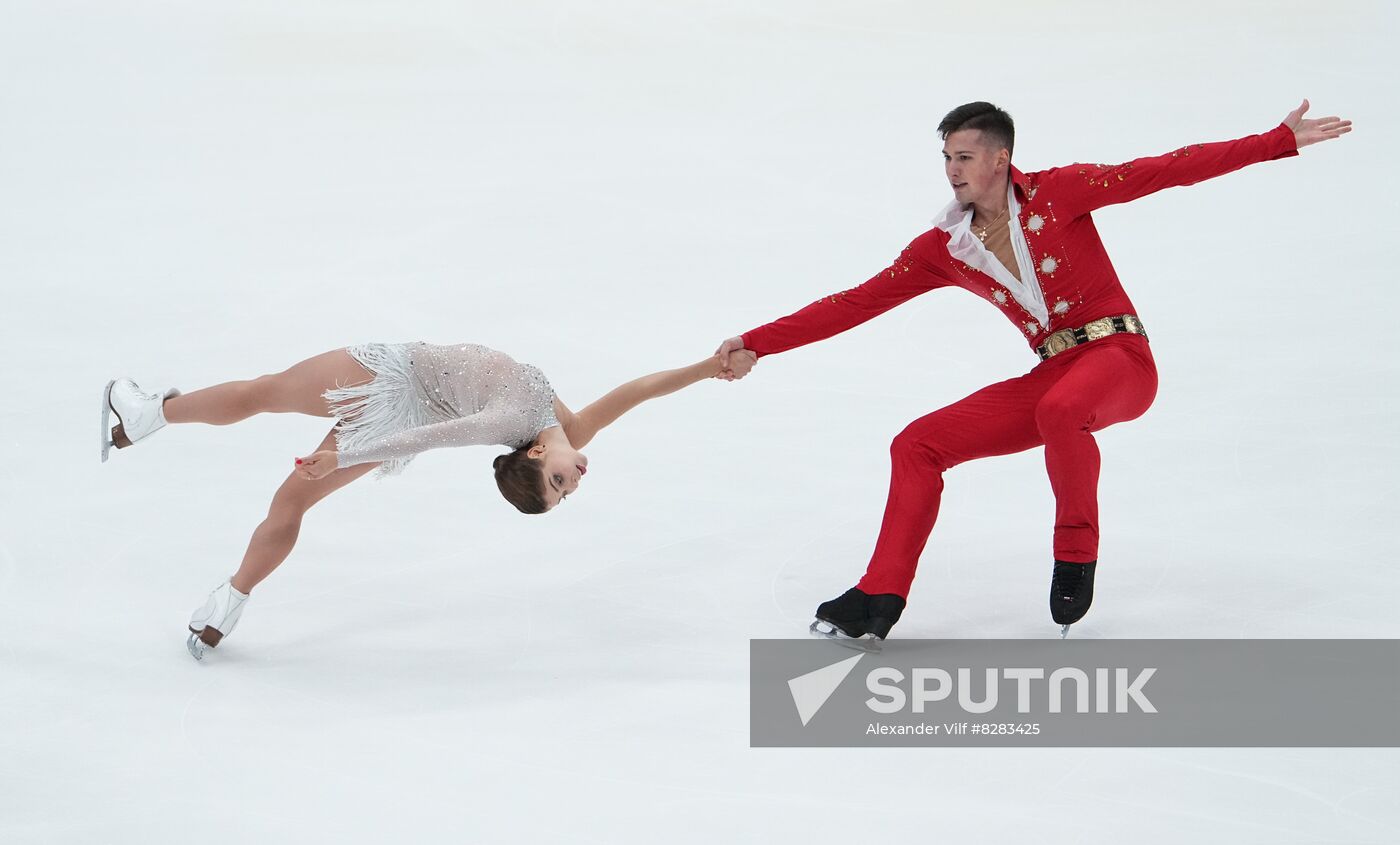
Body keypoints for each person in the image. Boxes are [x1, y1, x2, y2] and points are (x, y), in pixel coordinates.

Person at [713, 99, 1352, 643]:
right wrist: (757, 343)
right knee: (917, 443)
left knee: (1060, 410)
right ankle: (879, 596)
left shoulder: (1061, 192)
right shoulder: (944, 248)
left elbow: (1165, 170)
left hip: (1121, 359)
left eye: (963, 157)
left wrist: (1275, 142)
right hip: (1055, 373)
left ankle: (1075, 554)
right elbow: (855, 302)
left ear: (999, 158)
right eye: (945, 158)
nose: (951, 170)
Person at [100, 340, 756, 659]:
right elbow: (636, 391)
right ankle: (226, 600)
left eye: (559, 485)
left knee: (265, 404)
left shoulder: (509, 417)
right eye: (566, 488)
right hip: (402, 400)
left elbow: (435, 434)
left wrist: (343, 454)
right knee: (274, 438)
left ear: (532, 456)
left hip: (390, 378)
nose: (575, 479)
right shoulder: (567, 428)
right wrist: (707, 368)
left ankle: (151, 413)